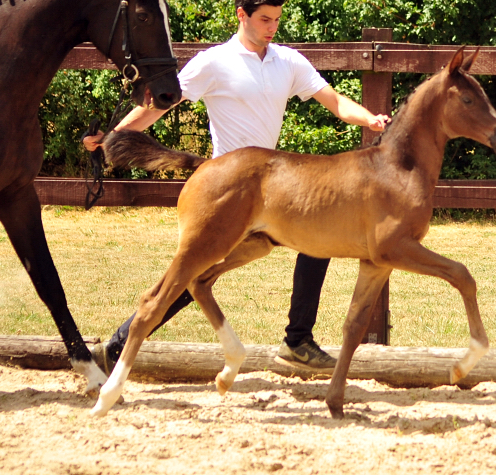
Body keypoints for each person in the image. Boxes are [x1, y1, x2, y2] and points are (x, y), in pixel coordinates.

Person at [84, 0, 388, 375]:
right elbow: (159, 106)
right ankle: (118, 346)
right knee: (194, 273)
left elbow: (336, 102)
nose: (271, 27)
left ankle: (297, 341)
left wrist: (371, 119)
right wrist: (115, 136)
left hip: (271, 189)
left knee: (320, 234)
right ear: (241, 16)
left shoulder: (287, 61)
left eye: (276, 20)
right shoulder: (214, 62)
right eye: (264, 19)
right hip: (227, 187)